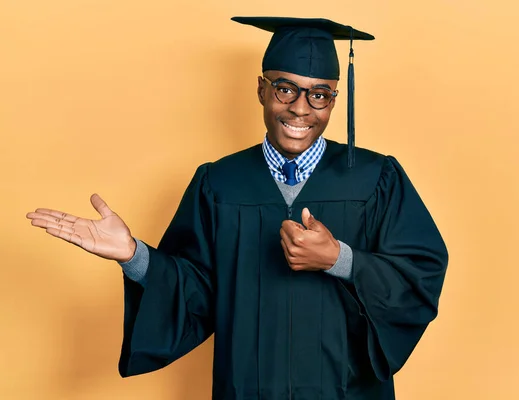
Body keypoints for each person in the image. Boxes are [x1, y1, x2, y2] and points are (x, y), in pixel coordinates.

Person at [26, 16, 448, 400]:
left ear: (334, 100)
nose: (301, 108)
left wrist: (341, 259)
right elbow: (196, 293)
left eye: (319, 94)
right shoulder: (219, 182)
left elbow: (419, 274)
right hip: (247, 389)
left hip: (348, 391)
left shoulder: (376, 178)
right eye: (285, 88)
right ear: (262, 88)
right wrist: (135, 256)